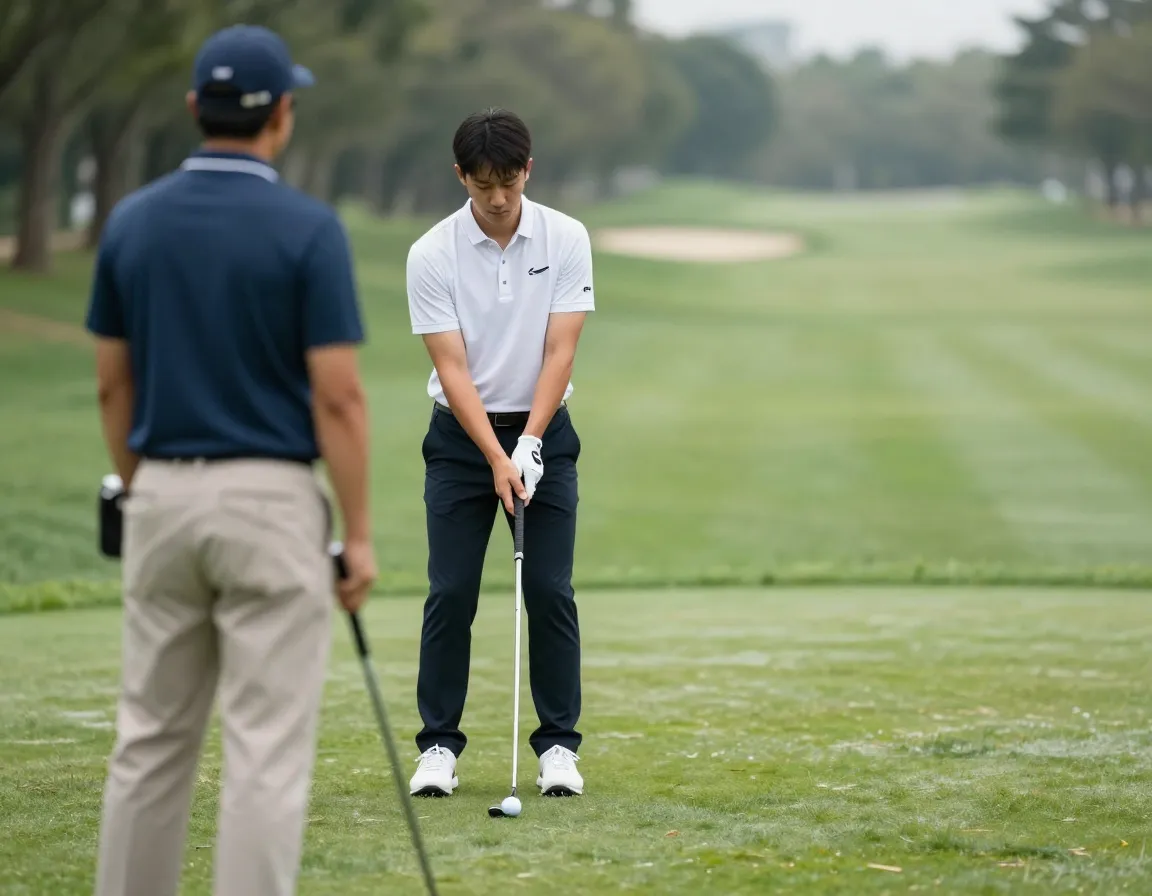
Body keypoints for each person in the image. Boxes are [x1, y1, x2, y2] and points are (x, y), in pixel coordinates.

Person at [85, 24, 376, 896]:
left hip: (161, 492)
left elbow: (112, 384)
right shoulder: (309, 228)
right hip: (273, 503)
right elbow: (337, 397)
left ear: (192, 110)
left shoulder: (131, 221)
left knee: (150, 740)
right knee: (264, 751)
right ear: (281, 114)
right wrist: (357, 534)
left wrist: (143, 490)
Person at [404, 108, 596, 799]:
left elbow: (560, 348)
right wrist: (495, 455)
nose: (497, 197)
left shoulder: (566, 236)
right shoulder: (431, 252)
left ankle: (558, 749)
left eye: (508, 181)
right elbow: (452, 369)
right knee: (451, 593)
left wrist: (533, 443)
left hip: (545, 430)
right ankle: (437, 747)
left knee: (548, 591)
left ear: (528, 171)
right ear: (460, 176)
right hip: (462, 441)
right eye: (482, 182)